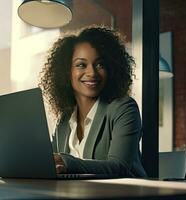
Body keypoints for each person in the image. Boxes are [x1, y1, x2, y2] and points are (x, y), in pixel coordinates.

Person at [39, 26, 147, 177]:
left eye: (100, 64)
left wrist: (67, 162)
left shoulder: (124, 108)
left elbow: (120, 167)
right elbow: (51, 163)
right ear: (66, 72)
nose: (92, 73)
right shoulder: (64, 120)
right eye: (81, 65)